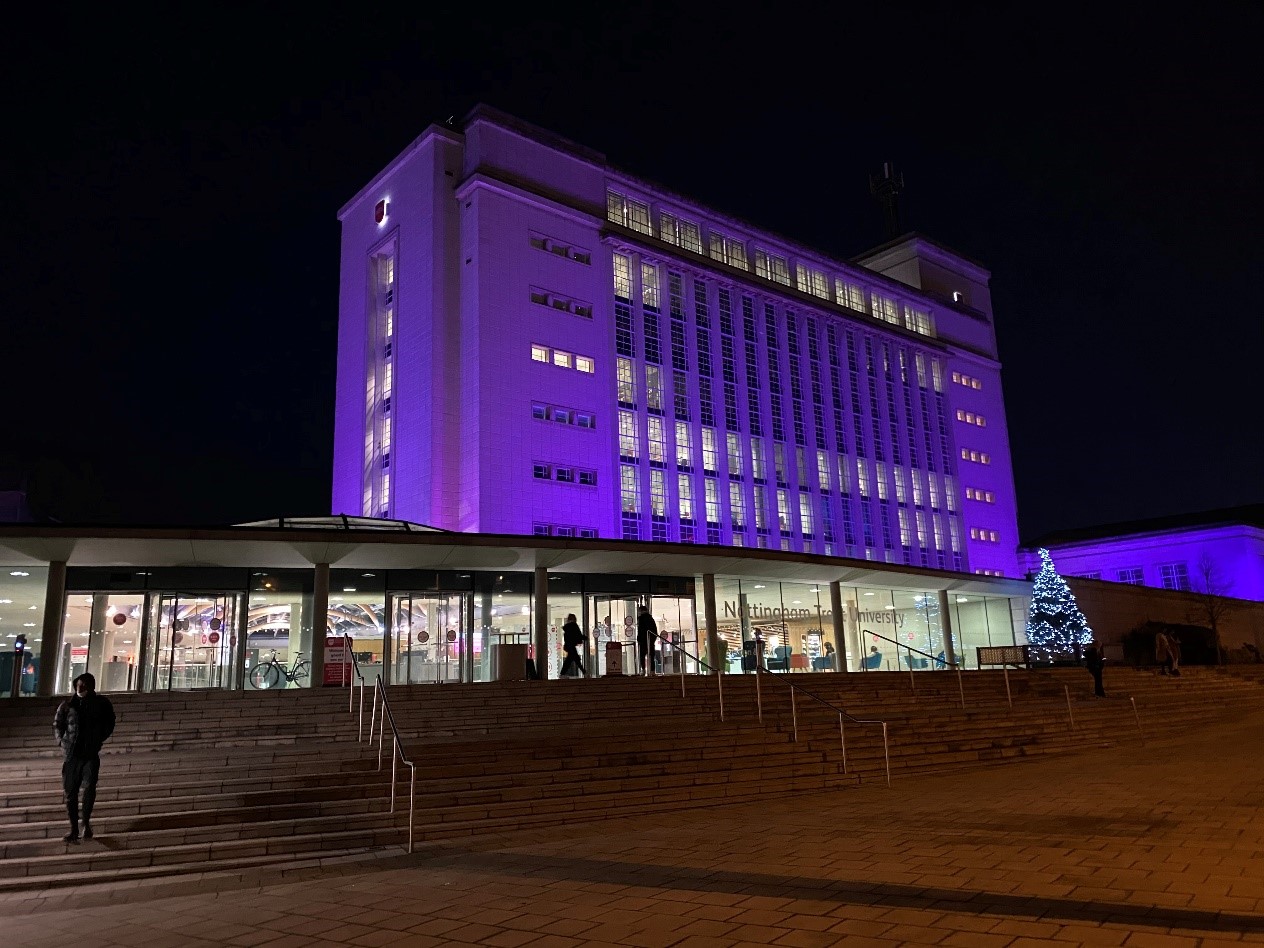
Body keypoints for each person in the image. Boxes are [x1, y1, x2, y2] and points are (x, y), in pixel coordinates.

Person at [53, 672, 116, 843]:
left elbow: (110, 722)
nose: (80, 688)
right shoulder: (67, 705)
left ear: (90, 686)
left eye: (83, 685)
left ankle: (86, 823)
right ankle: (73, 828)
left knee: (89, 789)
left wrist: (98, 739)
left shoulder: (100, 704)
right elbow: (58, 724)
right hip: (72, 755)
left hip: (90, 754)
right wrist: (61, 742)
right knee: (70, 793)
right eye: (78, 685)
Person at [560, 613, 586, 678]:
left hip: (568, 646)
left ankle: (562, 674)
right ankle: (584, 672)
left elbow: (567, 637)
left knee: (570, 660)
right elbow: (578, 635)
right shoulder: (574, 626)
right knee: (576, 660)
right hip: (572, 646)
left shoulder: (566, 628)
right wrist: (584, 638)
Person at [636, 605, 658, 676]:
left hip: (643, 641)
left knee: (642, 655)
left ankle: (643, 670)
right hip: (650, 640)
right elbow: (655, 631)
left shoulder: (641, 619)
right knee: (651, 656)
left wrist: (639, 639)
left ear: (641, 611)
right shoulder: (651, 618)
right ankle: (652, 671)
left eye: (639, 611)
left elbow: (640, 630)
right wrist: (652, 640)